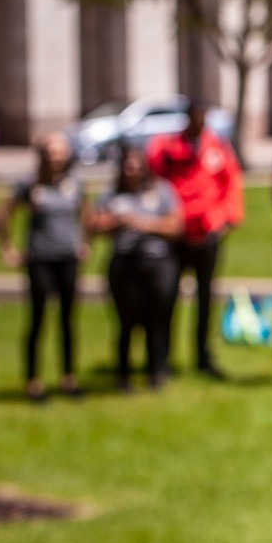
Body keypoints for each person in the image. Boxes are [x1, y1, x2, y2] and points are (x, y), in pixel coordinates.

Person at [148, 101, 243, 378]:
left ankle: (202, 356)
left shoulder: (215, 146)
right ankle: (162, 359)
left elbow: (231, 182)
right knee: (167, 298)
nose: (200, 124)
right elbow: (154, 177)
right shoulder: (169, 147)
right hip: (176, 236)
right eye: (196, 118)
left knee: (205, 299)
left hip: (207, 234)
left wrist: (228, 219)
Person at [0, 131, 87, 401]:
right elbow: (4, 213)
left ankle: (69, 377)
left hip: (67, 258)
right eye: (51, 151)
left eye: (60, 151)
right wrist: (8, 248)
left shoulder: (74, 184)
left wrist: (85, 242)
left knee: (68, 320)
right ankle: (33, 381)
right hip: (40, 259)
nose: (56, 156)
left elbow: (88, 214)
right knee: (38, 319)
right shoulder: (29, 184)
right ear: (43, 155)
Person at [90, 145, 185, 391]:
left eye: (137, 167)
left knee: (158, 319)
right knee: (126, 322)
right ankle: (124, 374)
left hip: (157, 262)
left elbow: (177, 225)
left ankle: (156, 371)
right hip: (124, 264)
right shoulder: (112, 193)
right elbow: (94, 223)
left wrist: (143, 223)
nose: (132, 172)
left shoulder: (161, 189)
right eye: (128, 167)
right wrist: (117, 221)